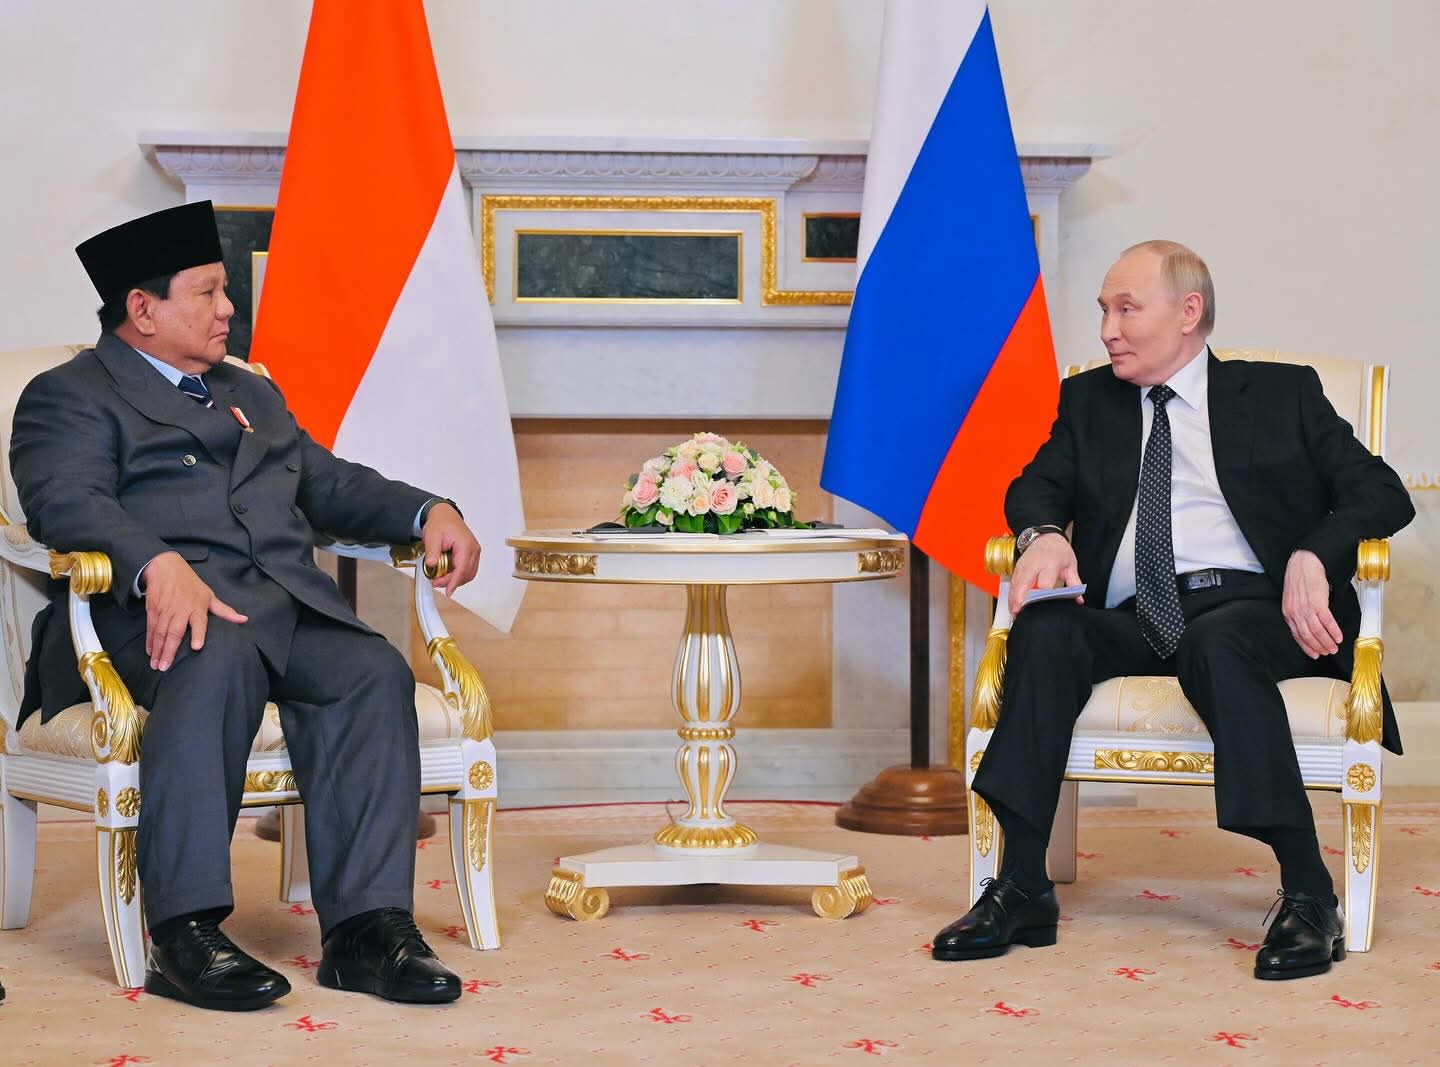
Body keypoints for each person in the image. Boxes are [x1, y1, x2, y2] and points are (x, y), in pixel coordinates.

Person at [10, 201, 483, 1010]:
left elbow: (327, 483)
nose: (229, 308)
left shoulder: (249, 392)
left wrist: (425, 509)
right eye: (208, 292)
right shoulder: (69, 395)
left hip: (279, 607)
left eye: (225, 290)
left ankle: (367, 931)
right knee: (213, 650)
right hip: (144, 621)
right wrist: (154, 561)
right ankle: (184, 932)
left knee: (370, 668)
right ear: (142, 309)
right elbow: (64, 502)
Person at [931, 240, 1413, 981]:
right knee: (1047, 629)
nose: (1108, 330)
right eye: (1103, 310)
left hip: (1254, 608)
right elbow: (1035, 486)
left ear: (1189, 312)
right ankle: (1023, 885)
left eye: (1127, 309)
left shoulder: (1281, 393)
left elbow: (1381, 491)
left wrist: (1314, 555)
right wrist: (1044, 534)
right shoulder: (1090, 400)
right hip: (1138, 612)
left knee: (1216, 643)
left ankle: (1310, 893)